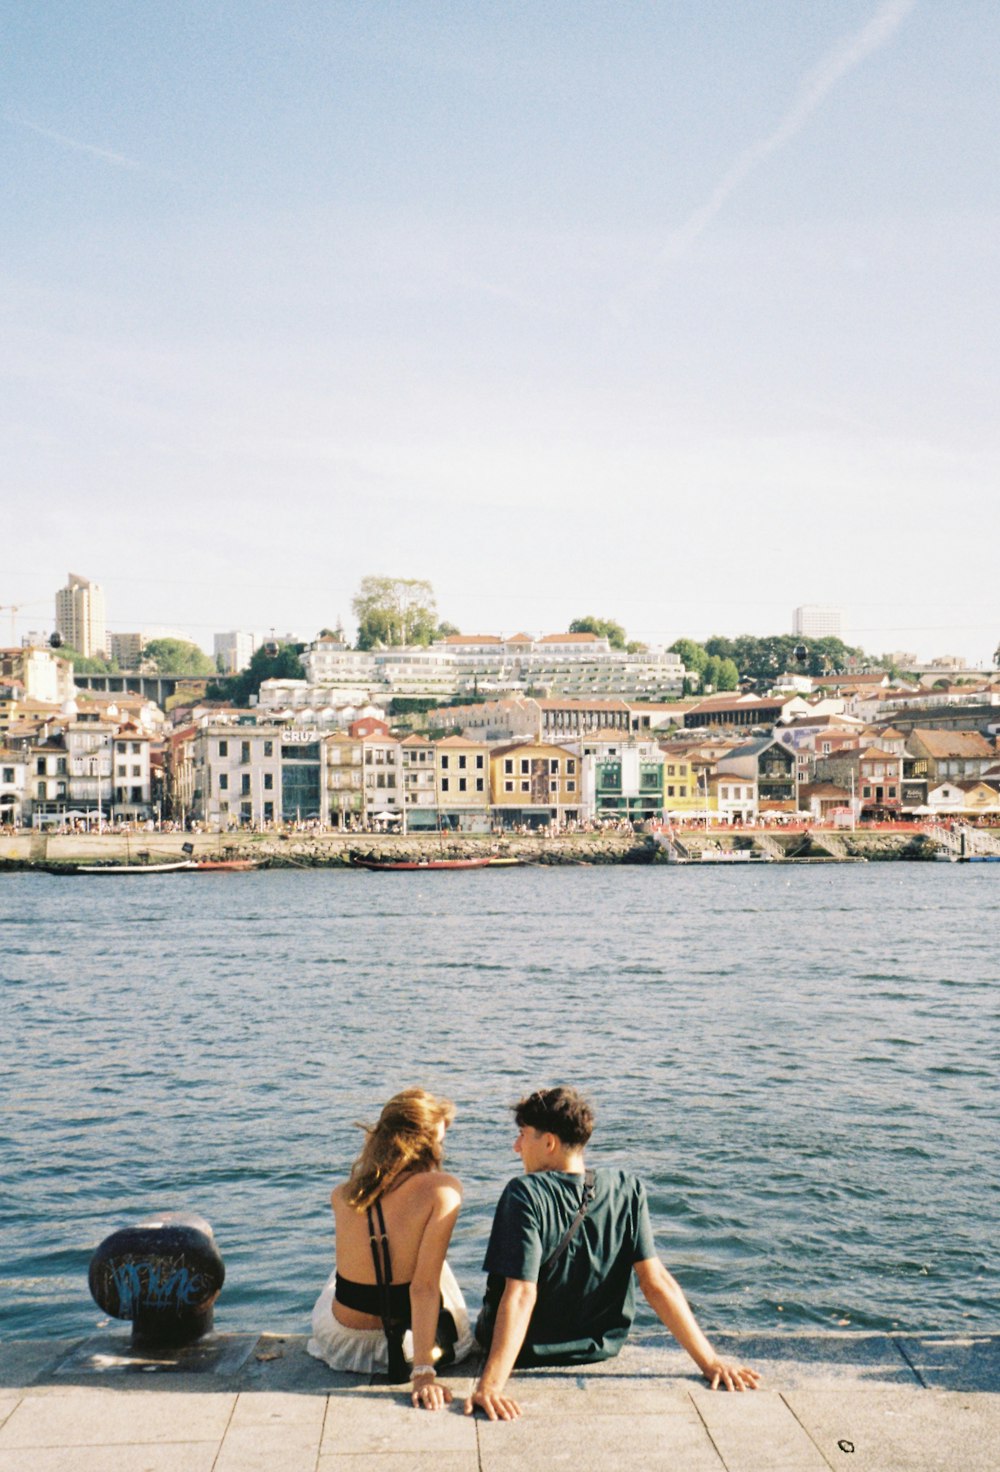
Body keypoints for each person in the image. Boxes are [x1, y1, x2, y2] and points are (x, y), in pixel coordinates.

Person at [465, 1086, 760, 1421]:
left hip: (530, 1350)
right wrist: (710, 1361)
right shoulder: (626, 1188)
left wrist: (490, 1386)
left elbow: (520, 1294)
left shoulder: (524, 1194)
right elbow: (656, 1282)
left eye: (522, 1136)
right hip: (599, 1347)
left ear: (549, 1143)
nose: (516, 1146)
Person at [308, 1088, 475, 1410]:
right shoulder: (444, 1190)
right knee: (434, 1266)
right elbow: (424, 1287)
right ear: (425, 1143)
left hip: (343, 1344)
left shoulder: (343, 1194)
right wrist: (424, 1372)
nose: (441, 1150)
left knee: (343, 1270)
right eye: (439, 1141)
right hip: (411, 1349)